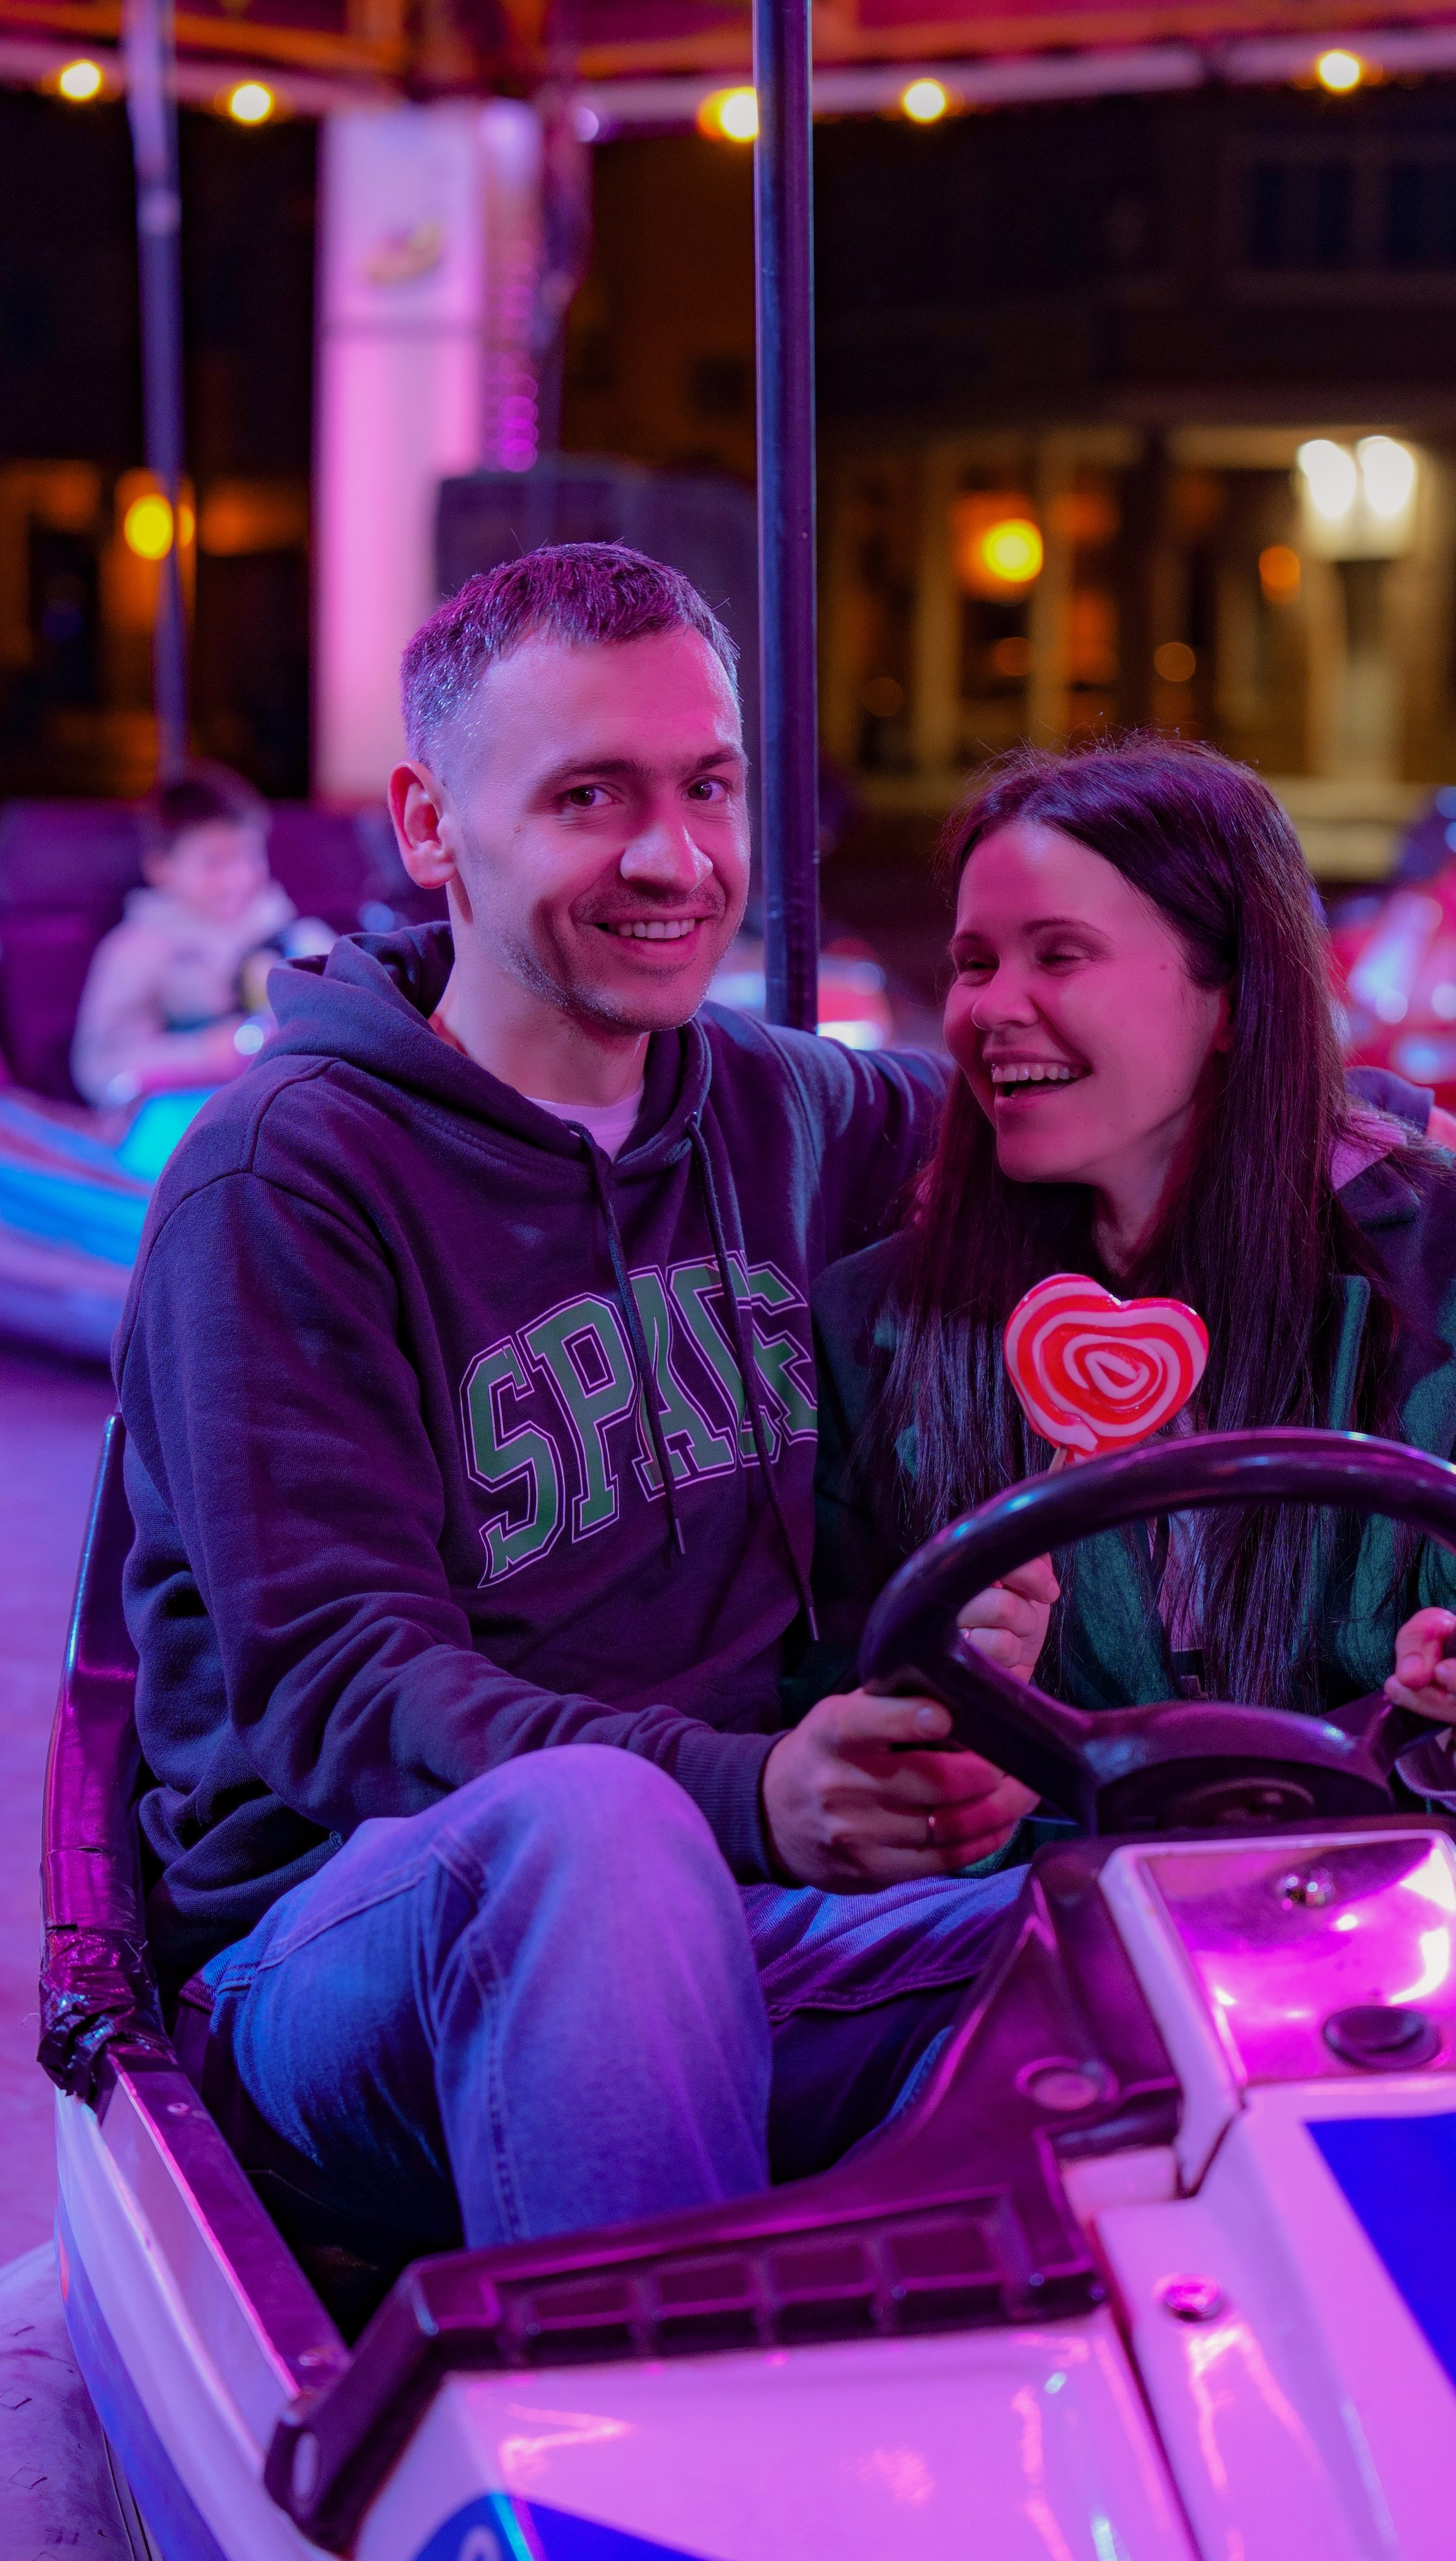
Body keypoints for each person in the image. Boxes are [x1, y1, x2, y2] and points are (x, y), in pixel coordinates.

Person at [117, 543, 1050, 2262]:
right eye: (587, 795)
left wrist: (1341, 1126)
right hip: (353, 1952)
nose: (672, 857)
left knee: (1202, 1913)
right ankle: (667, 2489)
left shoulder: (790, 1113)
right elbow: (337, 1692)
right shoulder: (280, 1184)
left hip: (756, 1898)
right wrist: (748, 1792)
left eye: (706, 786)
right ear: (426, 825)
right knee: (597, 1844)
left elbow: (1067, 1111)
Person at [804, 737, 1456, 2028]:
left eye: (1058, 954)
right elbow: (844, 1698)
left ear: (1233, 999)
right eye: (976, 961)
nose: (988, 1007)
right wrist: (961, 1712)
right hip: (1086, 1895)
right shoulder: (887, 1317)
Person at [71, 763, 327, 1108]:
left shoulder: (296, 935)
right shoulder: (138, 949)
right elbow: (99, 1069)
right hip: (187, 1117)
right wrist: (208, 1052)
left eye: (247, 857)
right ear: (161, 867)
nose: (236, 879)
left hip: (287, 1105)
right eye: (213, 863)